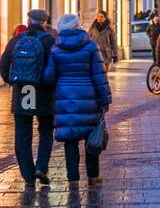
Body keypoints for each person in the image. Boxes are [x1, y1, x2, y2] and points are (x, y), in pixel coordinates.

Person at [43, 13, 112, 187]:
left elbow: (49, 76)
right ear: (78, 26)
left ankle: (73, 179)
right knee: (91, 138)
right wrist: (105, 98)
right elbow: (99, 75)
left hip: (65, 99)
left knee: (70, 141)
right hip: (89, 98)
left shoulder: (56, 49)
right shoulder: (90, 46)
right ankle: (93, 176)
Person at [0, 11, 57, 187]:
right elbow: (55, 66)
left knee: (23, 132)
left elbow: (3, 63)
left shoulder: (18, 39)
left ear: (29, 21)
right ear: (45, 22)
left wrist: (14, 82)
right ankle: (41, 166)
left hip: (25, 90)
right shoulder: (49, 41)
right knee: (46, 129)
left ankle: (28, 176)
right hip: (44, 90)